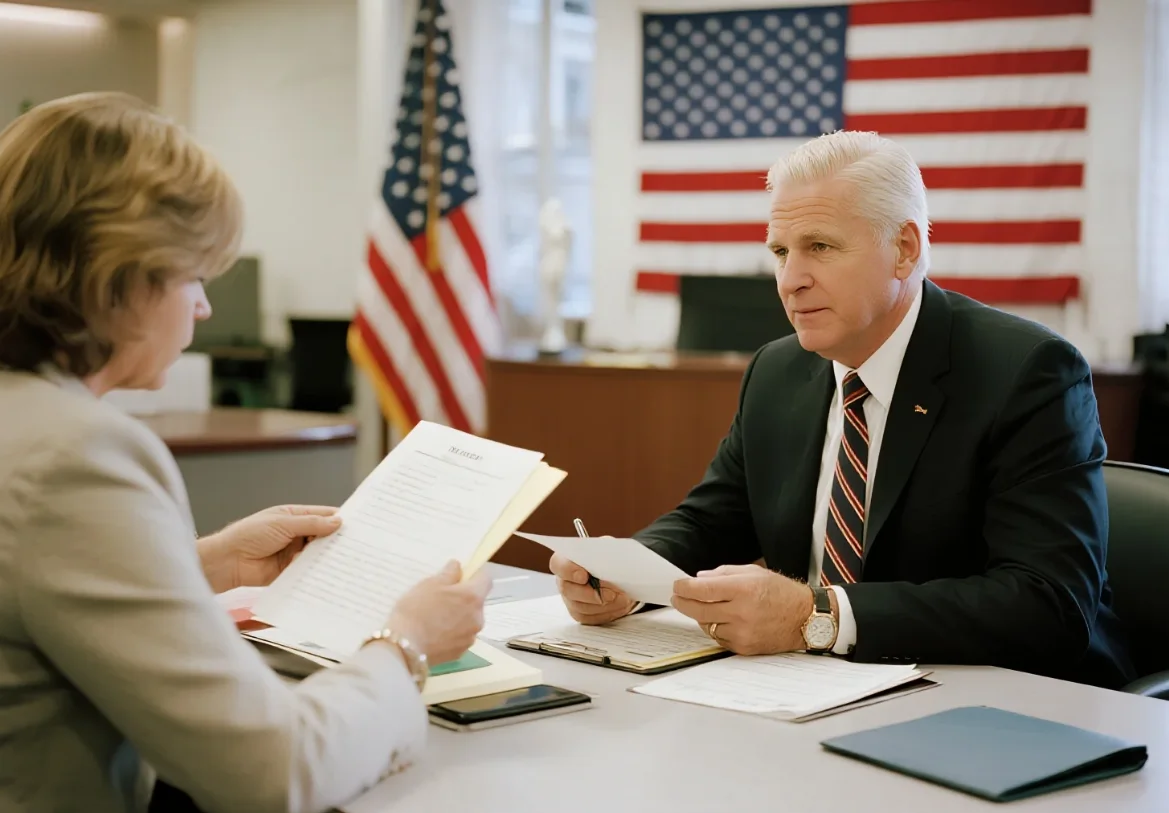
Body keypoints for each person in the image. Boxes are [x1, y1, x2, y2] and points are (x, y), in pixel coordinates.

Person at [0, 92, 492, 813]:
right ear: (124, 278)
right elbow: (273, 771)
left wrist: (208, 562)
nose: (202, 306)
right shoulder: (77, 453)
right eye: (193, 275)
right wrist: (408, 642)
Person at [551, 130, 1135, 690]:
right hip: (810, 690)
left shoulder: (1027, 372)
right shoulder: (777, 370)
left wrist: (816, 615)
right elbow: (713, 519)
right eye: (780, 252)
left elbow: (1048, 603)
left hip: (1006, 700)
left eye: (820, 248)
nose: (790, 280)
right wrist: (627, 576)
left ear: (904, 250)